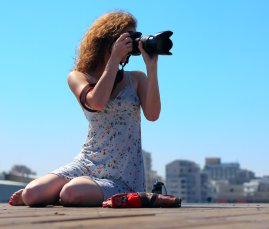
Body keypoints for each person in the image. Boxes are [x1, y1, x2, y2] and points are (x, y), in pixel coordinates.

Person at [9, 11, 161, 207]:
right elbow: (96, 102)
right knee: (31, 193)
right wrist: (113, 60)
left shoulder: (137, 78)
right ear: (109, 39)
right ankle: (60, 192)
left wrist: (152, 67)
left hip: (123, 174)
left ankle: (64, 193)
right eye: (128, 37)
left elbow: (153, 115)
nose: (132, 43)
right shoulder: (78, 76)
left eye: (135, 36)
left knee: (73, 192)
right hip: (87, 163)